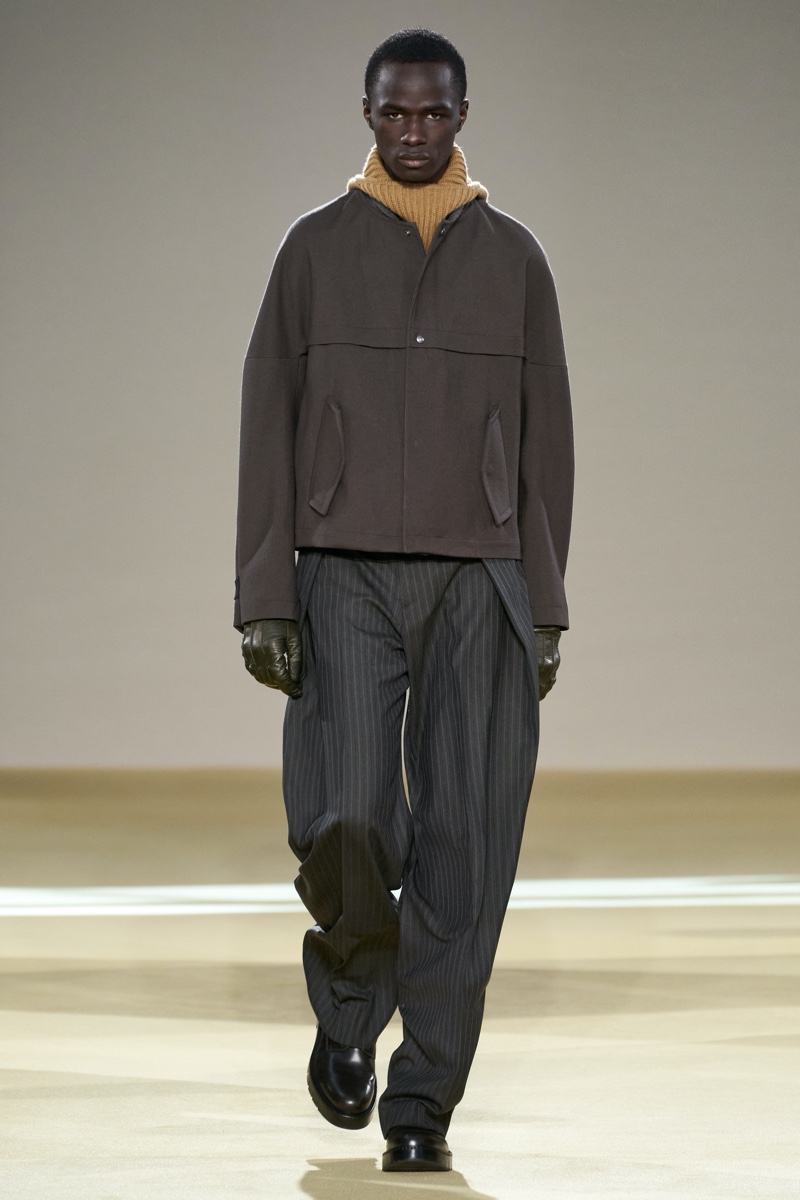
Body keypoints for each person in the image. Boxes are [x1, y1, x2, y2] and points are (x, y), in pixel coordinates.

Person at [235, 28, 574, 1173]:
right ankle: (348, 1003)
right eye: (395, 112)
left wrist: (542, 602)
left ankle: (422, 1103)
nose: (414, 131)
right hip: (340, 571)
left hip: (479, 577)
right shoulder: (312, 250)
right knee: (343, 813)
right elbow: (267, 419)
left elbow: (545, 440)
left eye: (433, 113)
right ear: (367, 115)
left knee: (466, 844)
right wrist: (263, 591)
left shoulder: (515, 259)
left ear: (462, 115)